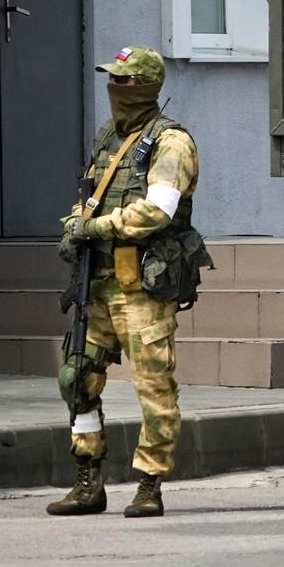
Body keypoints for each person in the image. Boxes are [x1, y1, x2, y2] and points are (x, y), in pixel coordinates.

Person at [46, 46, 199, 519]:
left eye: (126, 81)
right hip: (98, 282)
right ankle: (88, 479)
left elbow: (158, 210)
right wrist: (74, 225)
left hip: (142, 287)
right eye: (113, 80)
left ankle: (149, 483)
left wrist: (97, 228)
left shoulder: (170, 144)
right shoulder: (109, 138)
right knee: (77, 379)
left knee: (154, 387)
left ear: (149, 86)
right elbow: (90, 199)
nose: (117, 89)